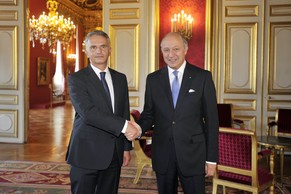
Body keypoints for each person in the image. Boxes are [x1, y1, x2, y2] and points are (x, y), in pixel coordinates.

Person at [136, 32, 219, 194]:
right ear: (161, 51)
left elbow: (212, 121)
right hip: (163, 153)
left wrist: (211, 159)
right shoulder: (153, 79)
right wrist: (138, 129)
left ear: (185, 50)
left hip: (193, 153)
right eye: (166, 50)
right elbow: (149, 114)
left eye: (176, 49)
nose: (171, 54)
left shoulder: (202, 77)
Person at [66, 30, 140, 194]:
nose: (98, 51)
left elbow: (123, 111)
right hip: (86, 151)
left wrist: (126, 147)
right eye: (93, 47)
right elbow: (88, 113)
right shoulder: (77, 79)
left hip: (113, 152)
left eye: (103, 46)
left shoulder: (120, 78)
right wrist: (125, 126)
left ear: (109, 50)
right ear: (86, 51)